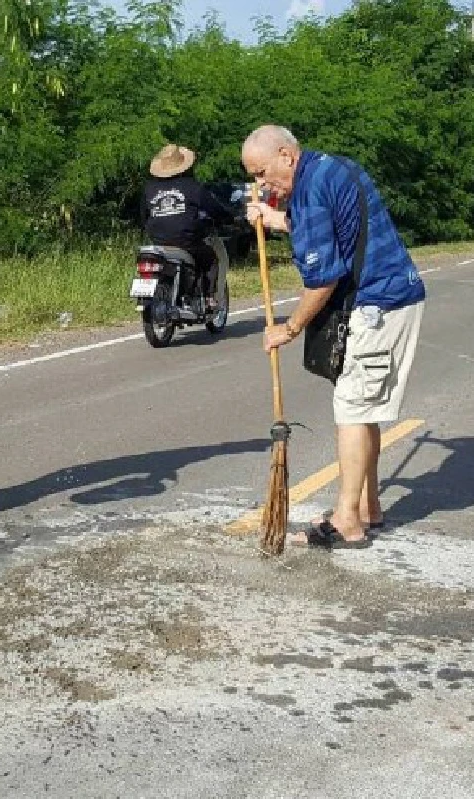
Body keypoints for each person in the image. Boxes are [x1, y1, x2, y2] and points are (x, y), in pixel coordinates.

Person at [242, 125, 426, 549]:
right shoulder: (326, 171)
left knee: (352, 409)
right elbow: (327, 228)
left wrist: (287, 329)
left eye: (262, 172)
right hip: (390, 296)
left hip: (378, 304)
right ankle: (366, 505)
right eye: (253, 176)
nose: (260, 183)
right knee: (364, 408)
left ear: (286, 155)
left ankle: (348, 522)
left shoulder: (311, 188)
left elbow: (324, 277)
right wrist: (276, 218)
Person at [142, 144, 235, 308]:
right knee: (211, 259)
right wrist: (229, 216)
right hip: (187, 241)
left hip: (158, 242)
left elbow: (143, 215)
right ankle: (208, 297)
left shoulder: (149, 189)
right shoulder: (192, 186)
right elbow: (213, 207)